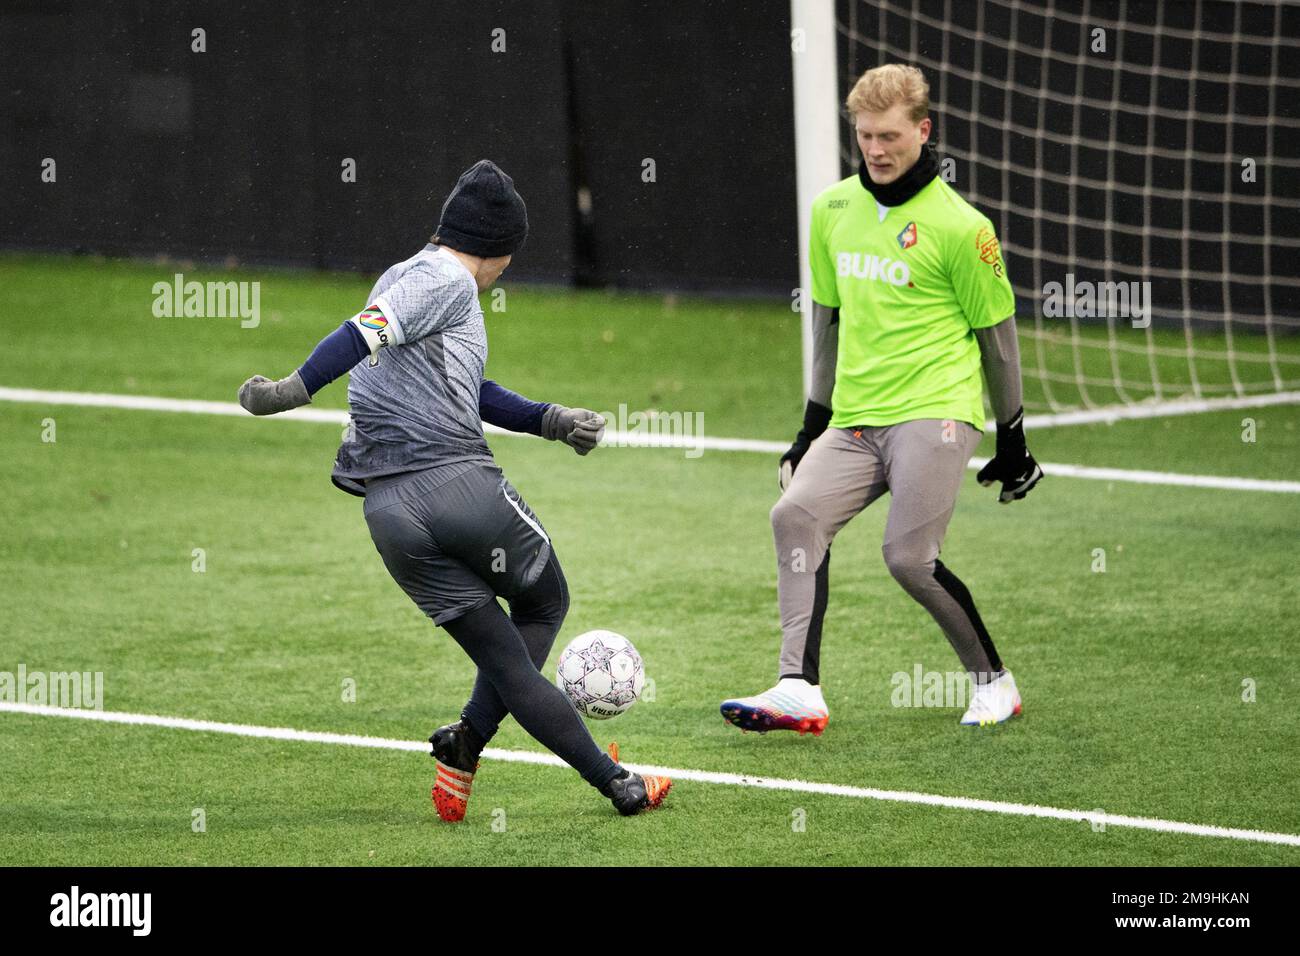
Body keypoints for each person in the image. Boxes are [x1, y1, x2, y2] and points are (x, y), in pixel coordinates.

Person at [238, 159, 670, 819]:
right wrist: (290, 391)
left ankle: (477, 748)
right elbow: (363, 334)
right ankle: (599, 778)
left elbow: (464, 387)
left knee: (504, 658)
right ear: (498, 250)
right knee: (545, 602)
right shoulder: (450, 281)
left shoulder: (403, 275)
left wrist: (548, 420)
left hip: (390, 516)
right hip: (455, 487)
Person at [721, 65, 1042, 734]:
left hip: (937, 410)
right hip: (857, 416)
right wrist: (810, 427)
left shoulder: (962, 227)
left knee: (907, 559)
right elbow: (827, 325)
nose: (876, 148)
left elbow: (999, 340)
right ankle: (798, 687)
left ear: (923, 132)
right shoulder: (832, 210)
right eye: (865, 134)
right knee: (795, 516)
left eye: (890, 134)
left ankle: (995, 683)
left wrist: (1012, 435)